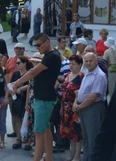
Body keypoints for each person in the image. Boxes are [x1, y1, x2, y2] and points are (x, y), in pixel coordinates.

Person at [11, 33, 62, 161]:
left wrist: (16, 83)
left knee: (38, 132)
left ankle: (37, 158)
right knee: (45, 130)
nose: (37, 47)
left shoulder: (51, 56)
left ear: (47, 42)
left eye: (39, 44)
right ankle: (48, 158)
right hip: (43, 97)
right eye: (35, 45)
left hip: (44, 98)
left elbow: (33, 71)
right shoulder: (51, 55)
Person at [74, 52, 108, 161]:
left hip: (93, 108)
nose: (88, 63)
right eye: (86, 61)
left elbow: (93, 96)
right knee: (86, 138)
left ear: (96, 61)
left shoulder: (99, 75)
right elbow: (81, 92)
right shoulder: (87, 73)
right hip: (84, 108)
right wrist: (76, 102)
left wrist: (79, 106)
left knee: (93, 138)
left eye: (90, 61)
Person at [59, 54, 84, 161]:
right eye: (70, 64)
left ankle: (77, 155)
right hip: (65, 107)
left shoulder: (82, 76)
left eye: (73, 64)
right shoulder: (67, 75)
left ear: (80, 65)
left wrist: (75, 103)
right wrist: (61, 107)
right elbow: (63, 92)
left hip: (75, 107)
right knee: (69, 132)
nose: (71, 66)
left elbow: (82, 93)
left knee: (77, 132)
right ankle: (72, 153)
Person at [10, 56, 33, 149]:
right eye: (16, 63)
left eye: (19, 63)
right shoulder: (16, 73)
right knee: (17, 118)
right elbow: (11, 83)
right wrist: (12, 90)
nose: (17, 64)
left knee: (27, 119)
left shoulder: (29, 73)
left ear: (24, 63)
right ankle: (18, 139)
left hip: (26, 98)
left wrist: (21, 89)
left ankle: (28, 141)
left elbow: (30, 85)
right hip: (16, 99)